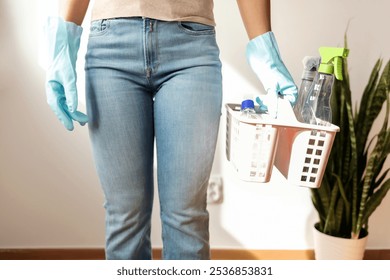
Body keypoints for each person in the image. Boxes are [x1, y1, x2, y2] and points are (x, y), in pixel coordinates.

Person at [44, 0, 297, 260]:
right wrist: (63, 40)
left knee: (185, 216)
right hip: (111, 48)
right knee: (124, 215)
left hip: (191, 48)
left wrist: (264, 50)